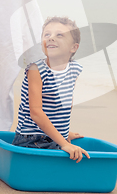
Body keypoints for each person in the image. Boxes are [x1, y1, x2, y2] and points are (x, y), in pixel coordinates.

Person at [13, 16, 90, 163]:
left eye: (59, 35)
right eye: (47, 34)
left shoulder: (74, 69)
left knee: (78, 158)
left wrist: (64, 132)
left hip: (55, 137)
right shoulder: (37, 70)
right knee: (68, 160)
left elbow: (65, 103)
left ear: (73, 47)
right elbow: (36, 113)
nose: (51, 38)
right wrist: (64, 143)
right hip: (32, 139)